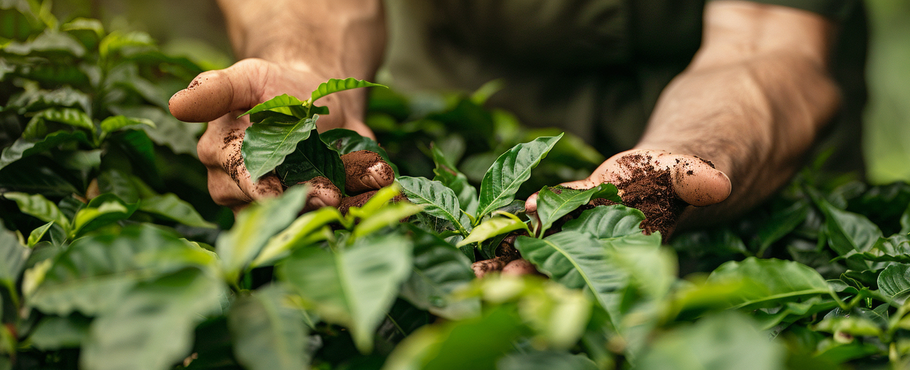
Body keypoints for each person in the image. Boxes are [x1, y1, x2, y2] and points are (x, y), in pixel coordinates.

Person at [168, 0, 863, 267]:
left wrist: (679, 166)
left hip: (745, 128)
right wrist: (302, 66)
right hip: (462, 96)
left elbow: (766, 41)